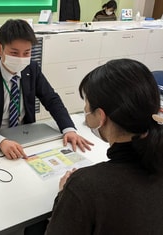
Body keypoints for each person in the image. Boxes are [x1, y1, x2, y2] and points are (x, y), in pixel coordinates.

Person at [45, 58, 163, 234]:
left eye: (86, 105)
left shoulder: (84, 186)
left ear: (101, 116)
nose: (85, 111)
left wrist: (63, 195)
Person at [0, 19, 93, 160]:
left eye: (26, 53)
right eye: (14, 53)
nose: (21, 59)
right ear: (0, 49)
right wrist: (0, 141)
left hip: (26, 136)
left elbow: (51, 99)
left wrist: (68, 129)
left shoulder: (32, 69)